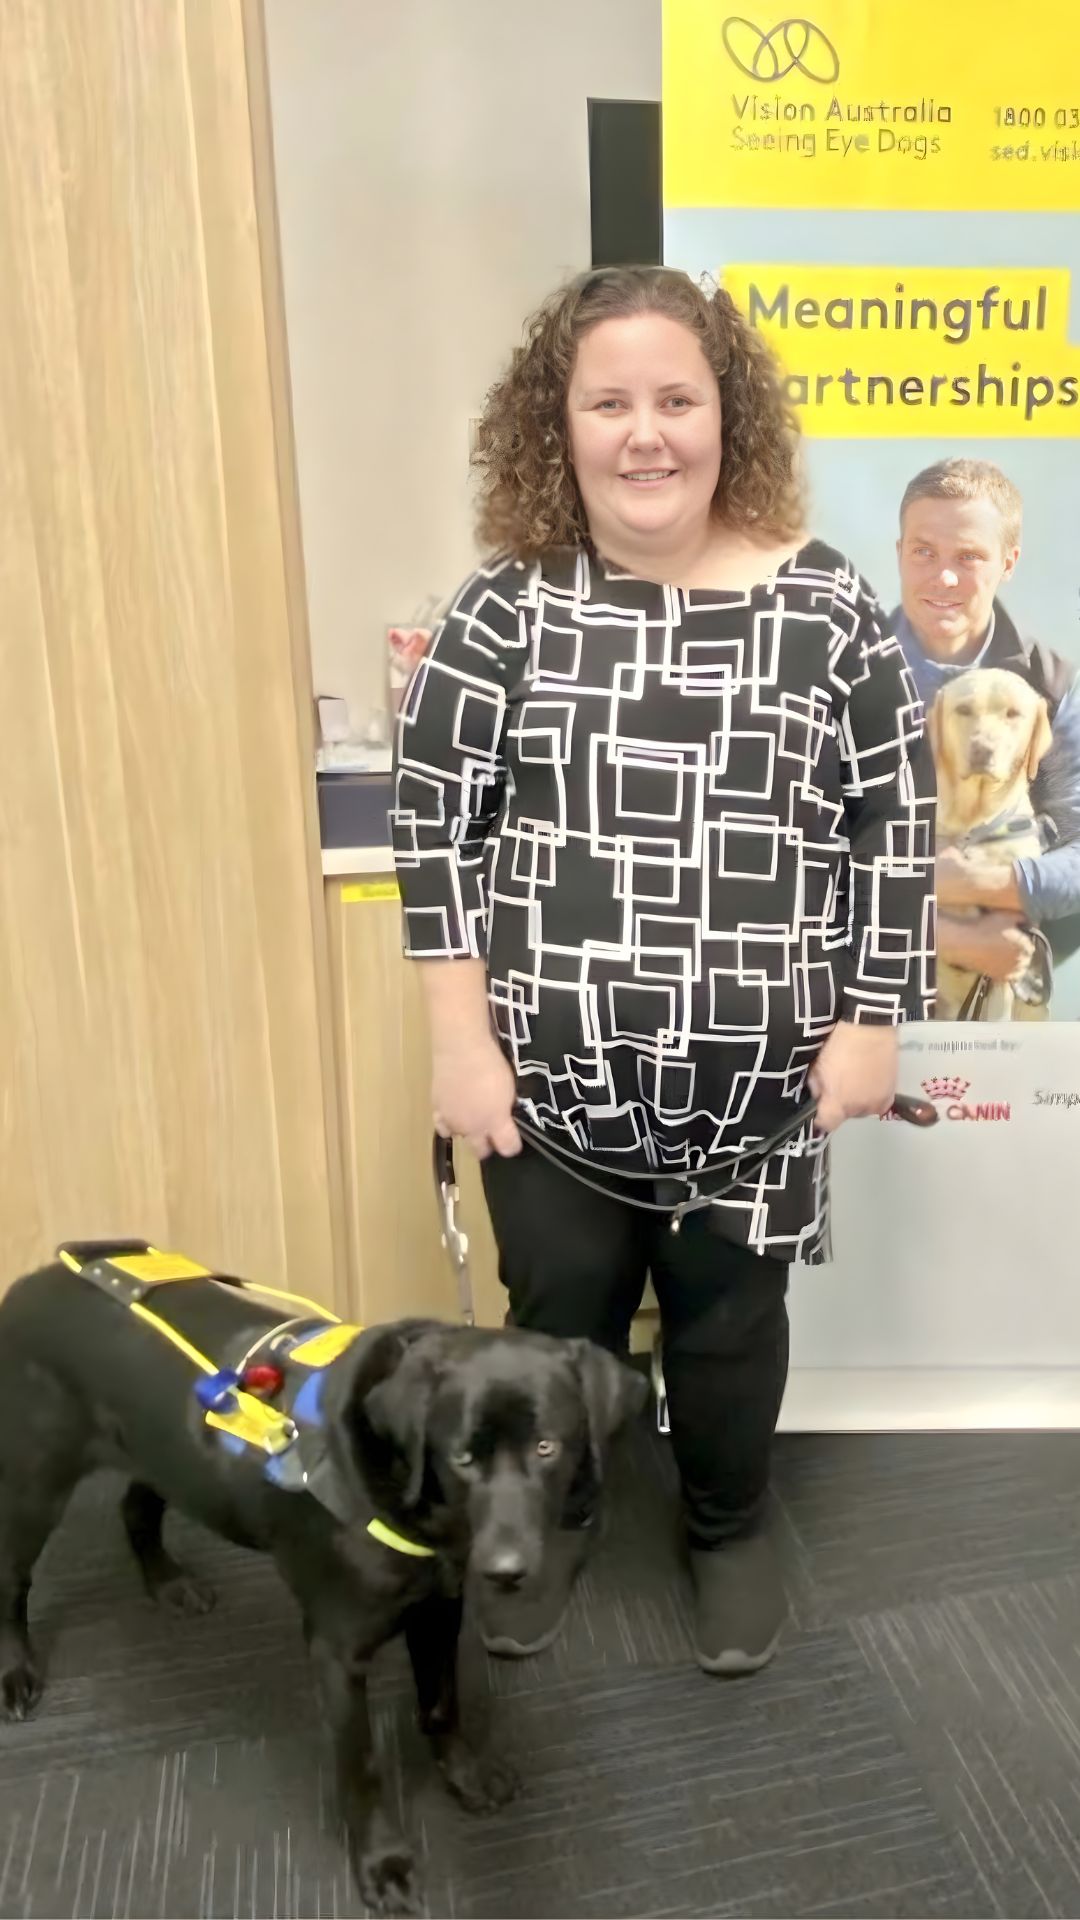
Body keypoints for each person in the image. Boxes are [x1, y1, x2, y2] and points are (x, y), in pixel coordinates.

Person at [391, 266, 935, 1677]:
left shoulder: (827, 606)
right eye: (610, 401)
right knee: (557, 1322)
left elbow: (896, 822)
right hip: (548, 1086)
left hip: (762, 1093)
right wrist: (460, 1042)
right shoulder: (504, 609)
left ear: (726, 414)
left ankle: (728, 1526)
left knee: (729, 1322)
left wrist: (872, 1022)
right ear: (555, 424)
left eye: (677, 399)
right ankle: (546, 1527)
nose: (648, 433)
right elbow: (432, 825)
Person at [892, 458, 1080, 1003]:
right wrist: (944, 931)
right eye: (923, 551)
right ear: (898, 552)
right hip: (857, 997)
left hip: (1006, 997)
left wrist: (991, 886)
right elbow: (782, 860)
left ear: (1008, 562)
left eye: (969, 556)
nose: (943, 577)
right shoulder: (839, 673)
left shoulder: (1052, 684)